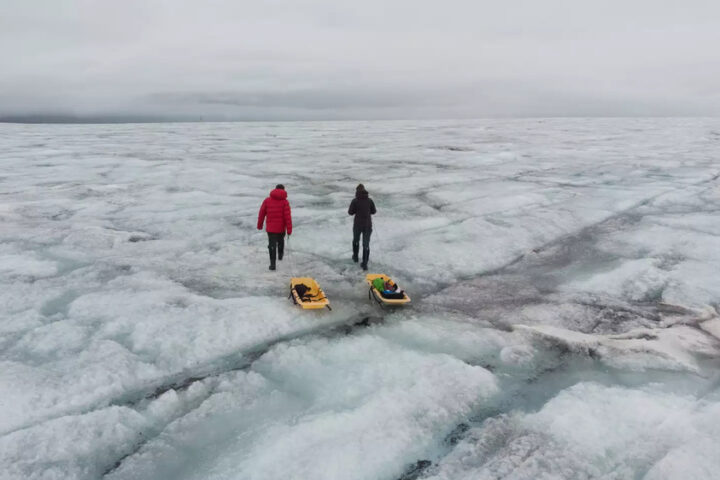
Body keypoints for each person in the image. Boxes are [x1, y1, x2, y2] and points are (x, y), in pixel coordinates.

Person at [257, 184, 292, 271]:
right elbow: (288, 217)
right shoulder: (285, 202)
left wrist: (259, 225)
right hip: (280, 228)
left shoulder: (267, 200)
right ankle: (280, 256)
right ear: (283, 190)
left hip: (271, 228)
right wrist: (289, 229)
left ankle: (272, 265)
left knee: (272, 245)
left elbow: (261, 213)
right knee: (280, 241)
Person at [348, 183, 376, 270]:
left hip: (357, 225)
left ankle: (355, 257)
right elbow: (374, 211)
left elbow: (350, 212)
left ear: (357, 192)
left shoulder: (355, 201)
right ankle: (365, 263)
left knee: (356, 240)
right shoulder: (370, 200)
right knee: (366, 244)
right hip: (367, 225)